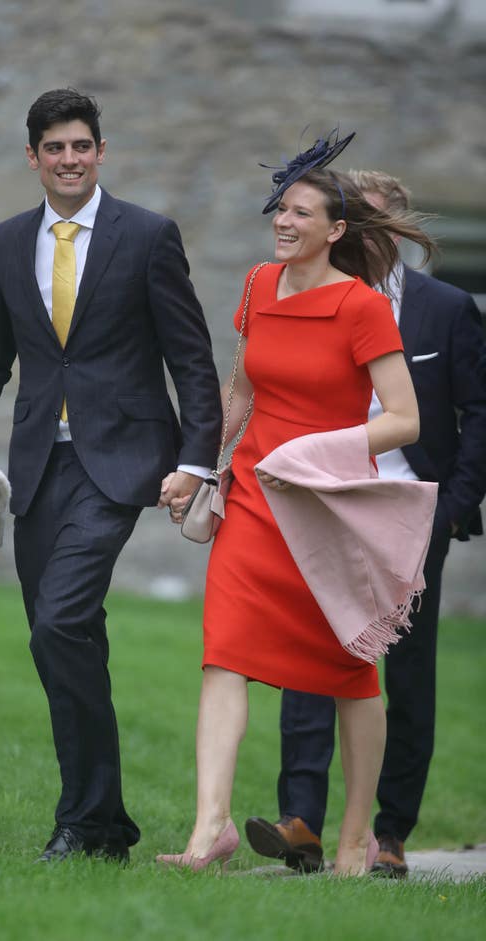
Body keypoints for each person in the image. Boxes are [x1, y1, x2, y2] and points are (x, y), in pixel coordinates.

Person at [0, 88, 222, 863]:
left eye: (82, 146)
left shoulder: (148, 235)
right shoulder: (5, 242)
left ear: (101, 152)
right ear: (33, 157)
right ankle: (102, 825)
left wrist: (197, 461)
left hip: (122, 461)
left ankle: (80, 819)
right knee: (63, 636)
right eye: (55, 148)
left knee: (60, 620)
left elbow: (191, 357)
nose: (70, 159)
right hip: (37, 463)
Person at [159, 132, 437, 876]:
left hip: (325, 511)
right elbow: (241, 390)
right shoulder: (256, 284)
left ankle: (353, 835)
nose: (283, 221)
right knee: (223, 657)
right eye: (280, 208)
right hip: (251, 500)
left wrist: (318, 452)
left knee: (351, 673)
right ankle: (209, 826)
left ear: (336, 230)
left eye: (301, 212)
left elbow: (404, 419)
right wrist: (197, 465)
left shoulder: (362, 308)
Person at [245, 170, 486, 878]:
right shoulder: (314, 297)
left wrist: (452, 506)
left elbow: (479, 412)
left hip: (412, 515)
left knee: (408, 673)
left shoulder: (445, 309)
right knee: (309, 661)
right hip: (327, 507)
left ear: (397, 227)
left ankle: (391, 833)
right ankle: (302, 823)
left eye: (379, 221)